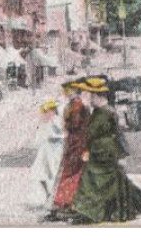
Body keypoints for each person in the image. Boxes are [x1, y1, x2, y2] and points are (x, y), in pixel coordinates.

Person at [70, 77, 141, 224]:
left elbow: (91, 132)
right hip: (105, 151)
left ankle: (91, 211)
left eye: (90, 95)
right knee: (110, 180)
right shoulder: (106, 111)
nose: (88, 98)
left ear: (96, 95)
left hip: (101, 152)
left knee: (92, 180)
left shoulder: (101, 114)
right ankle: (107, 210)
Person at [51, 80, 92, 219]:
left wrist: (65, 125)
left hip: (78, 142)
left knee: (73, 172)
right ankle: (67, 201)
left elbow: (75, 124)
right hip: (73, 142)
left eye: (68, 91)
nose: (65, 94)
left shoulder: (77, 106)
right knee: (70, 172)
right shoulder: (73, 105)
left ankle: (69, 202)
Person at [31, 99, 65, 209]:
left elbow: (62, 134)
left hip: (55, 149)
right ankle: (49, 195)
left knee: (53, 172)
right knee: (41, 173)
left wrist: (55, 136)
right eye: (47, 110)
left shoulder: (57, 120)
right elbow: (38, 137)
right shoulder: (45, 121)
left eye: (50, 110)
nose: (48, 112)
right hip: (45, 150)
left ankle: (55, 197)